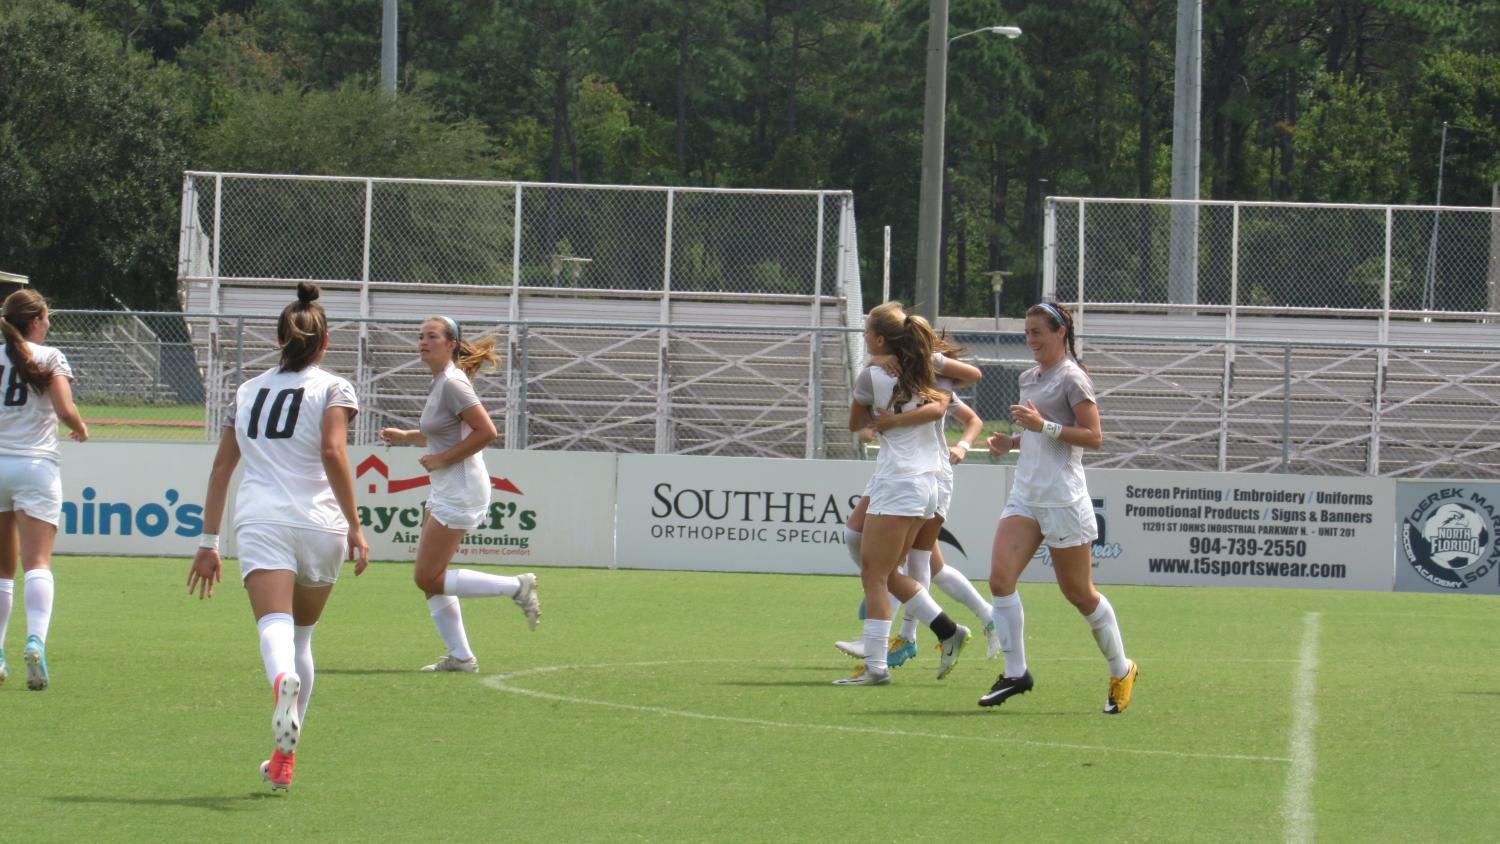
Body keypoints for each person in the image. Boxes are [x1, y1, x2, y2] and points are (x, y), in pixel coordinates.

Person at [186, 283, 370, 791]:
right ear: (325, 342)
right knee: (303, 636)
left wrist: (207, 543)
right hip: (321, 524)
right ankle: (283, 759)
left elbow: (222, 468)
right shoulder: (335, 387)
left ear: (279, 340)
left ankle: (278, 684)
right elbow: (334, 454)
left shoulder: (246, 391)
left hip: (263, 519)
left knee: (274, 624)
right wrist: (355, 525)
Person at [978, 301, 1137, 714]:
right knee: (999, 579)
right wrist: (1010, 443)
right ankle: (1016, 673)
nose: (1031, 340)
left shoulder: (1073, 377)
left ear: (1060, 332)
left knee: (1078, 593)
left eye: (1038, 332)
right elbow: (1038, 436)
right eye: (1027, 333)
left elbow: (1093, 436)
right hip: (1026, 495)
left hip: (1063, 499)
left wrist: (1040, 426)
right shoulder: (1029, 377)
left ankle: (1121, 668)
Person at [380, 316, 539, 673]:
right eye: (420, 336)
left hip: (461, 487)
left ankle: (516, 586)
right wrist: (408, 438)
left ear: (451, 343)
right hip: (447, 486)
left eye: (431, 336)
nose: (422, 341)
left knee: (427, 577)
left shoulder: (453, 383)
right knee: (431, 578)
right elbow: (444, 432)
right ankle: (462, 657)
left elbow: (487, 432)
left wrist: (441, 459)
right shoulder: (442, 382)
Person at [835, 341, 998, 665]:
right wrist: (872, 426)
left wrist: (963, 446)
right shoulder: (896, 376)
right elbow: (863, 425)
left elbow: (969, 418)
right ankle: (985, 616)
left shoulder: (934, 380)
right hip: (906, 474)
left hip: (927, 474)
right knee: (926, 566)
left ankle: (904, 637)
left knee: (915, 564)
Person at [0, 290, 88, 691]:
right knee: (37, 562)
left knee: (2, 570)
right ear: (36, 321)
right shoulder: (51, 357)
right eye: (46, 317)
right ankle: (35, 640)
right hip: (35, 467)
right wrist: (81, 427)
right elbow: (65, 409)